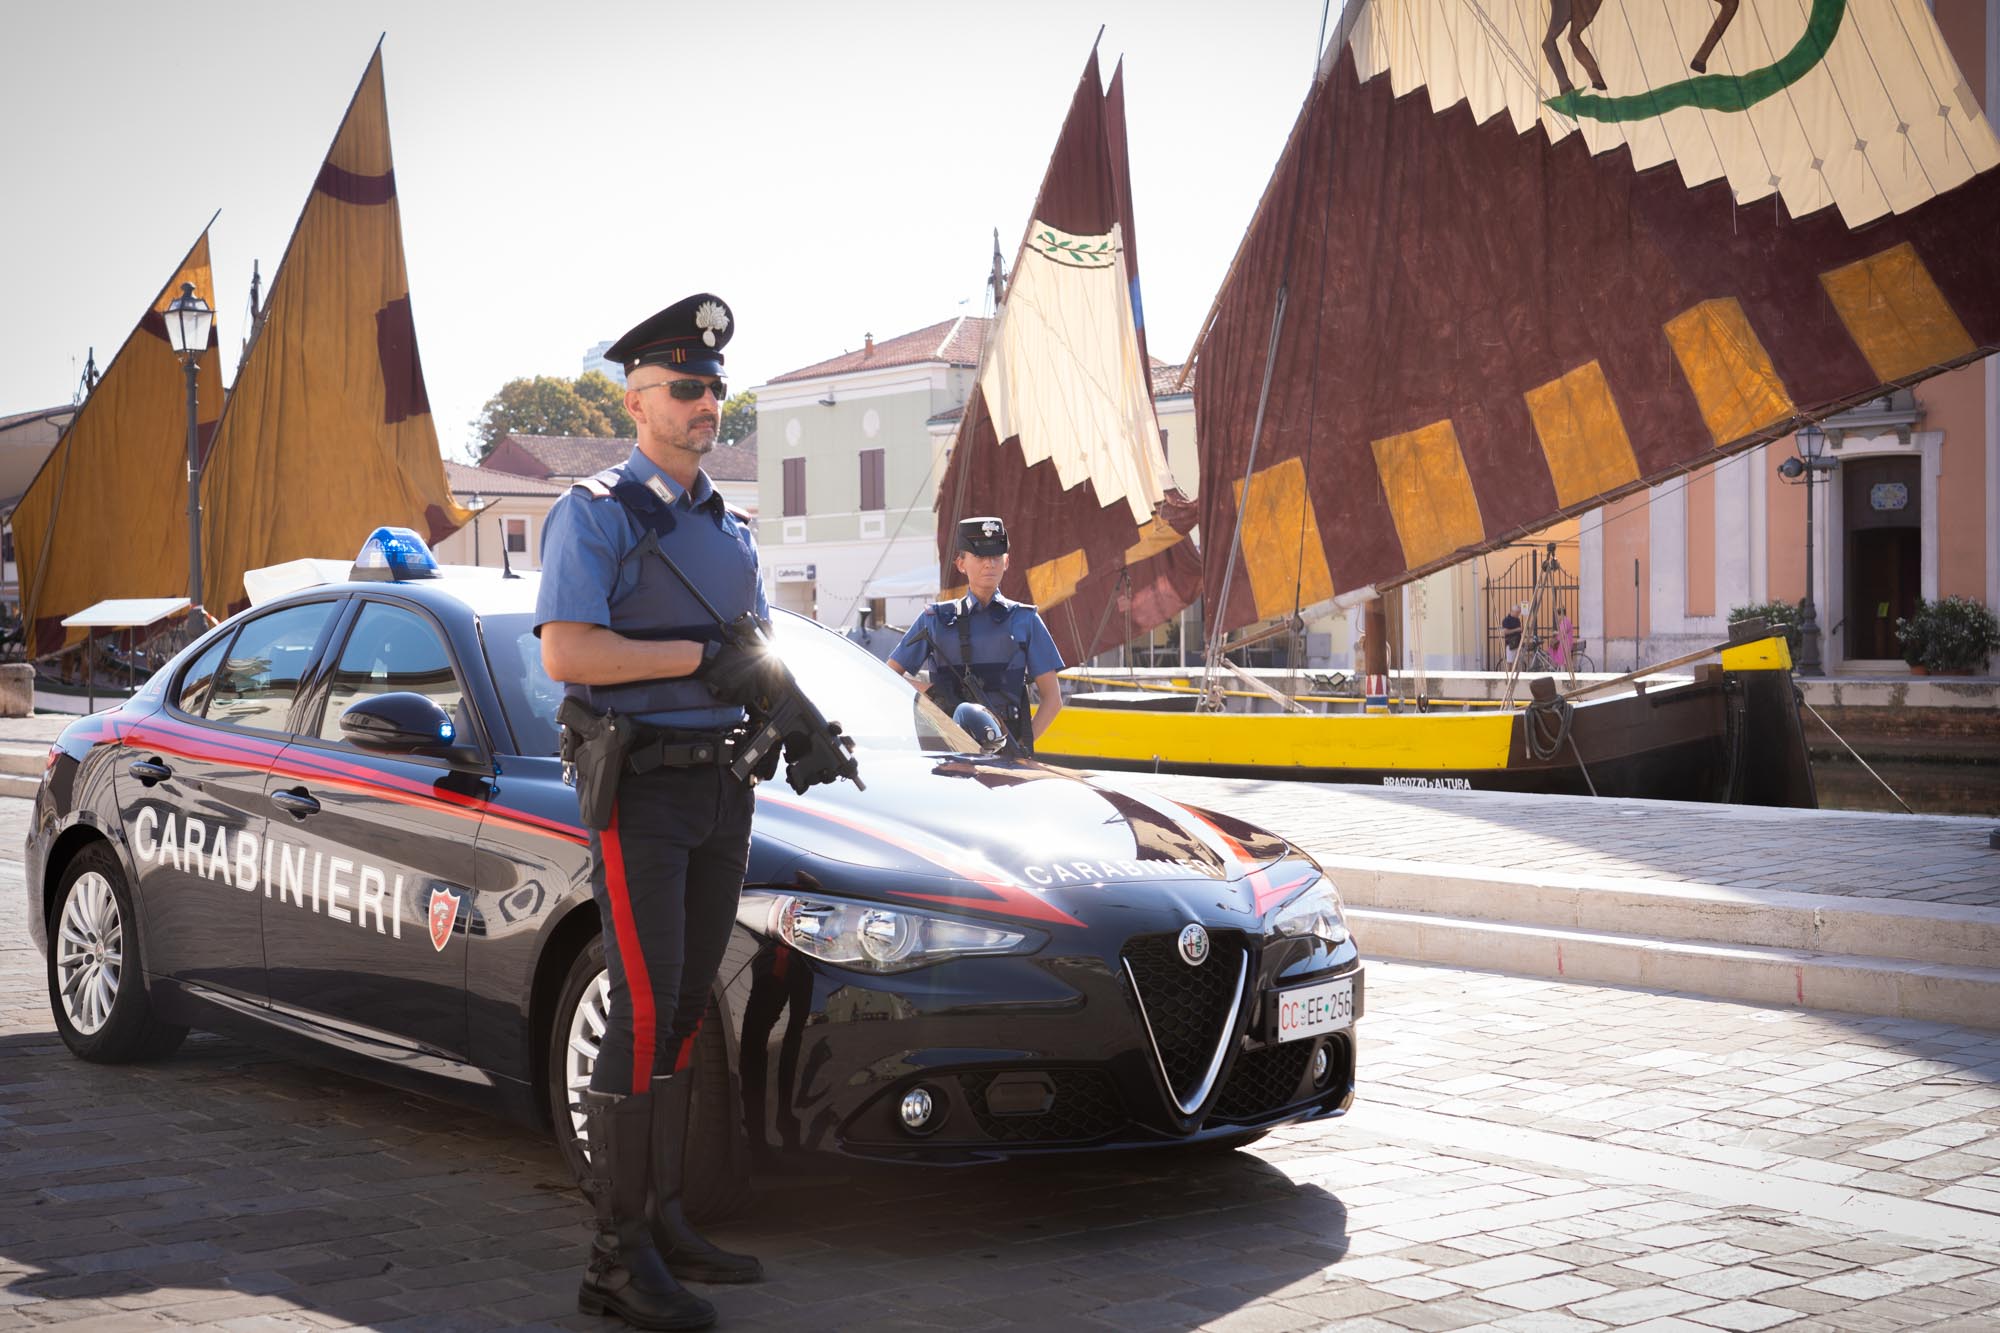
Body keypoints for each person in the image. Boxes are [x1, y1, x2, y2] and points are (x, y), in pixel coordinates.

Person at [538, 292, 777, 1331]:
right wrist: (694, 658)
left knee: (683, 1006)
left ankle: (664, 1216)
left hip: (722, 787)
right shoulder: (593, 511)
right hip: (640, 789)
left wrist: (784, 720)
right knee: (638, 1009)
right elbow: (569, 652)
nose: (706, 401)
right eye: (684, 387)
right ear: (635, 401)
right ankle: (613, 1256)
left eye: (714, 386)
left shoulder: (729, 523)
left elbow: (756, 652)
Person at [888, 516, 1064, 752]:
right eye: (980, 557)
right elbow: (887, 676)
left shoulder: (1025, 620)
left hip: (1006, 752)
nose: (989, 564)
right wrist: (931, 694)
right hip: (947, 748)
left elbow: (1052, 699)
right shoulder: (935, 620)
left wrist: (1020, 747)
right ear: (961, 564)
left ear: (1007, 561)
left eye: (996, 557)